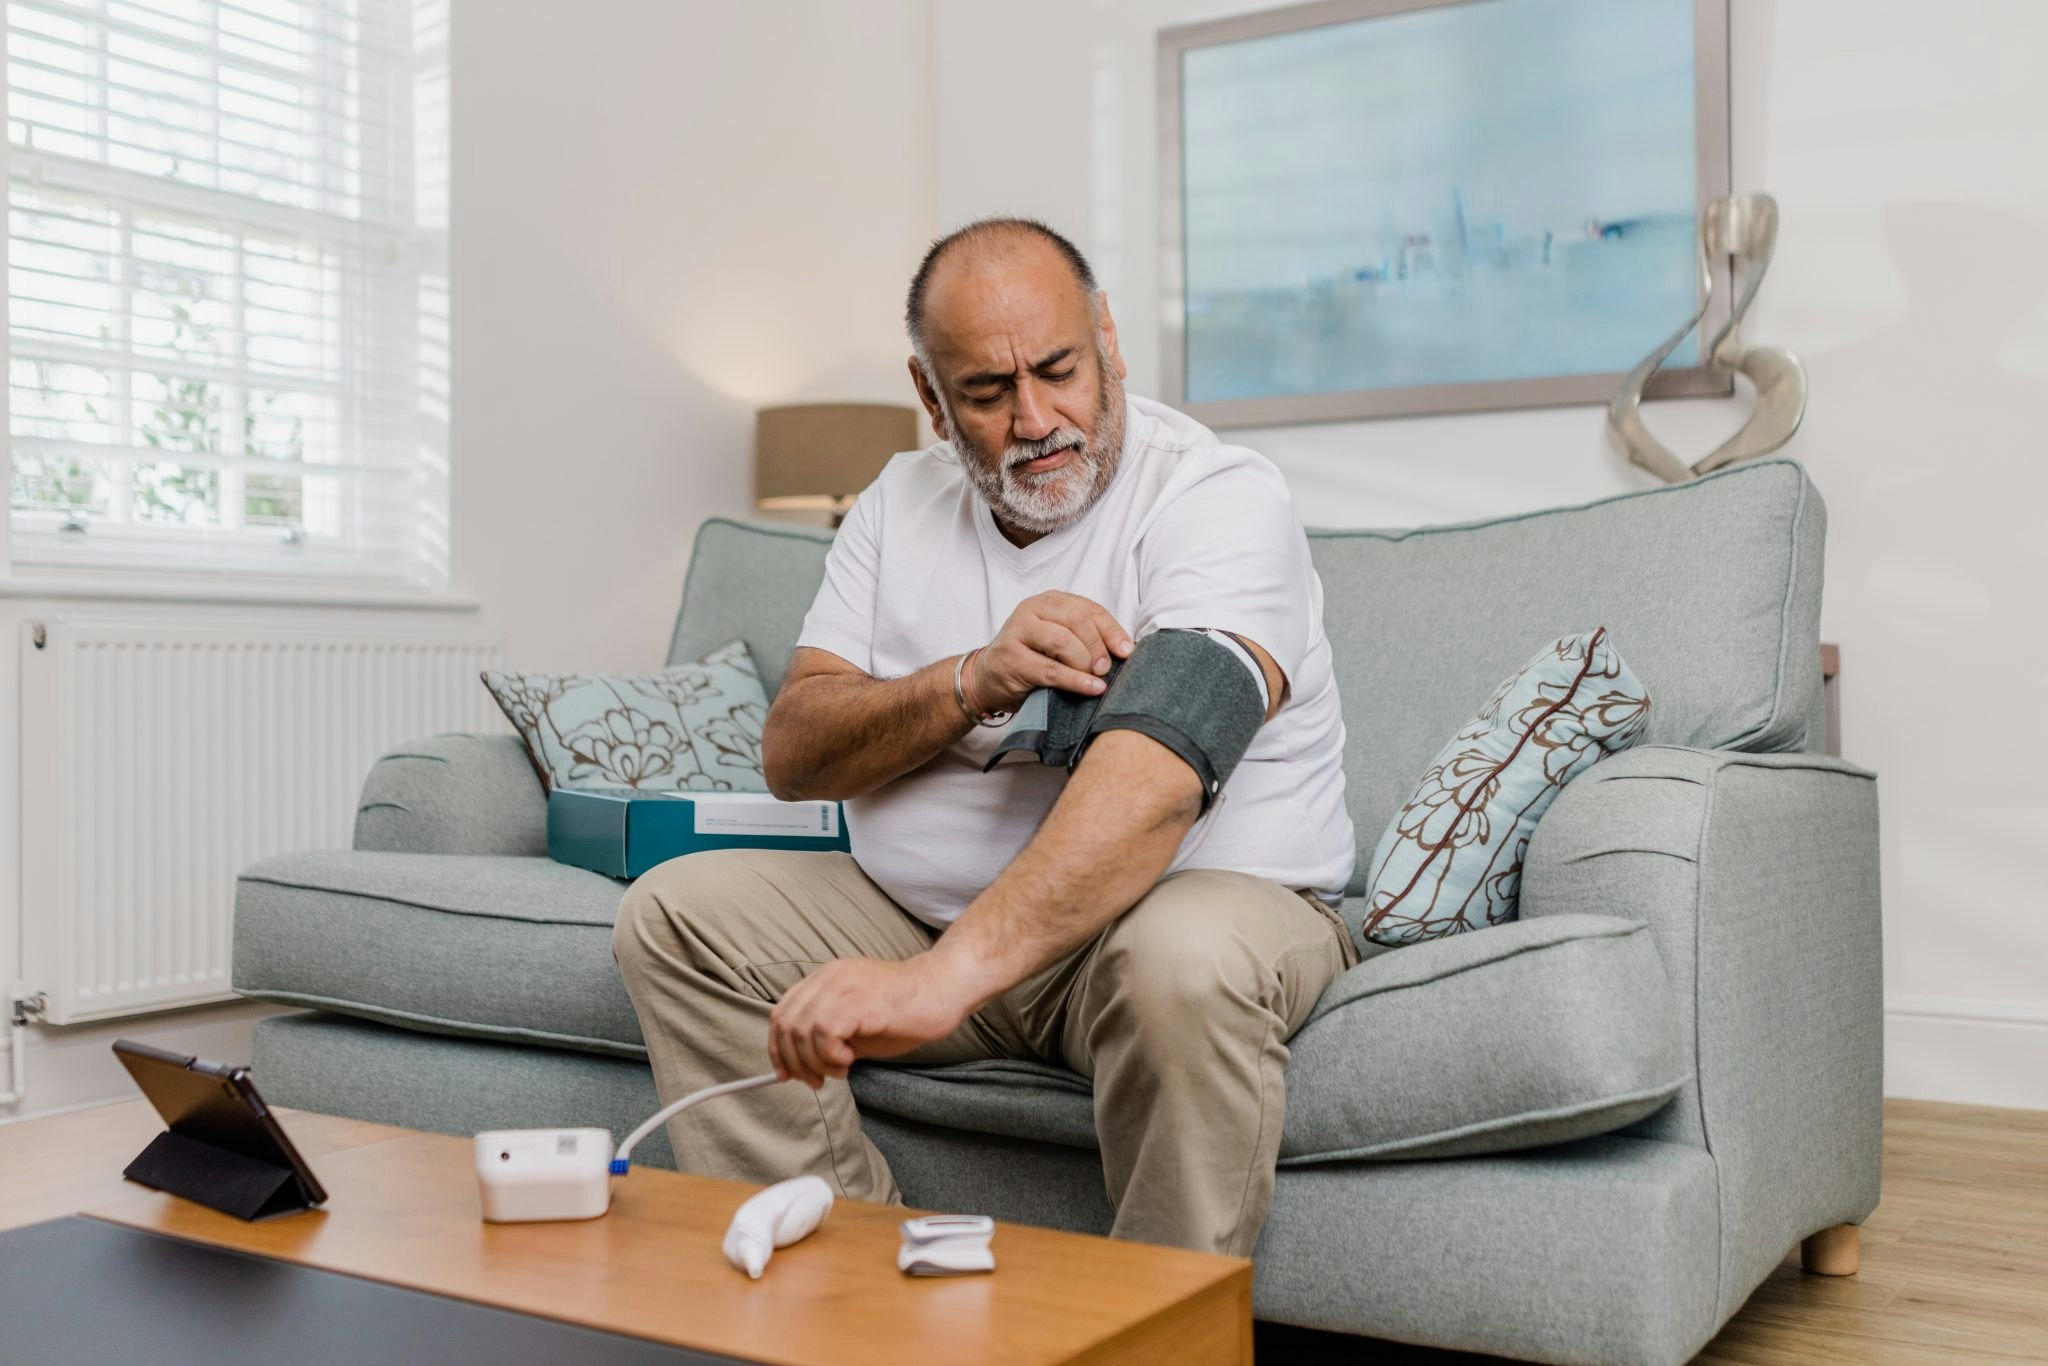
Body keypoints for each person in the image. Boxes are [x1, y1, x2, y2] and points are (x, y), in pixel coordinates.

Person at [613, 217, 1354, 1257]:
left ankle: (1149, 1334)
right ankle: (849, 1309)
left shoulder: (1217, 494)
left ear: (1107, 341)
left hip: (1166, 921)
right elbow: (796, 753)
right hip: (920, 919)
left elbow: (1162, 764)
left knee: (1180, 962)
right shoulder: (894, 505)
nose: (1036, 417)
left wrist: (939, 981)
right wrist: (971, 680)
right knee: (679, 916)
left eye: (1057, 369)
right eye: (985, 392)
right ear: (930, 397)